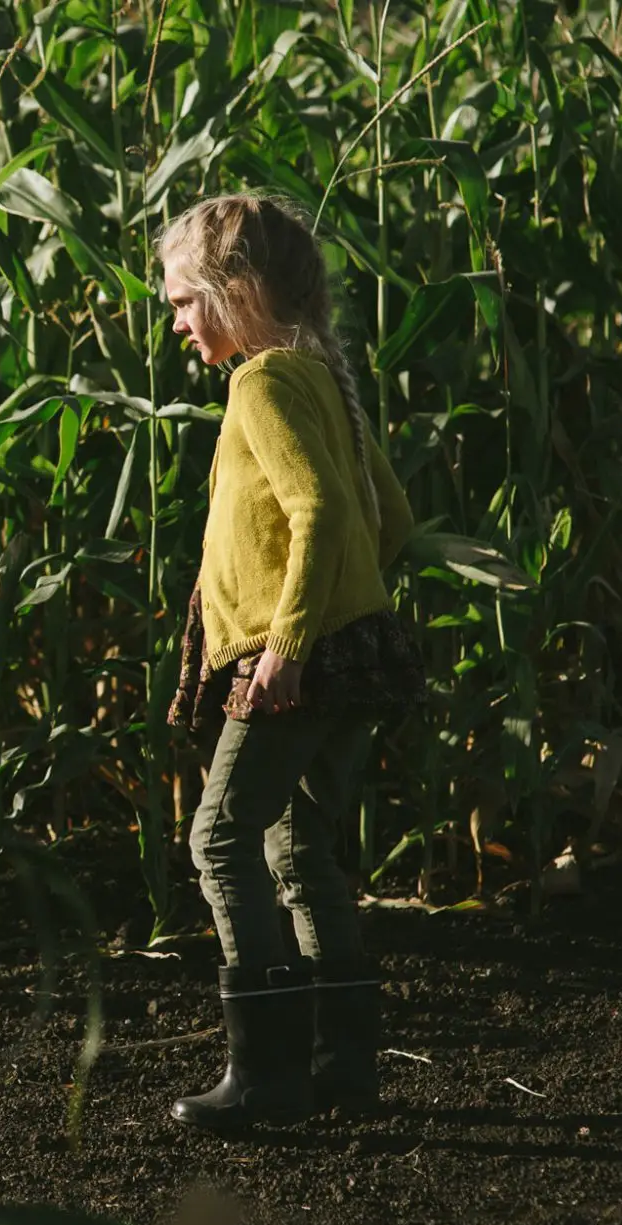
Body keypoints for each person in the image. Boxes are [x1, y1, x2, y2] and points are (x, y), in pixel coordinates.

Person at [156, 193, 426, 1129]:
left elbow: (317, 513)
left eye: (186, 300)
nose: (179, 321)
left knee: (220, 838)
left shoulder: (262, 383)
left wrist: (289, 642)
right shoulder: (320, 380)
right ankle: (341, 1067)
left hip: (293, 661)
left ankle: (266, 1077)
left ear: (239, 292)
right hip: (352, 655)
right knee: (300, 849)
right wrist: (347, 616)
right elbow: (389, 520)